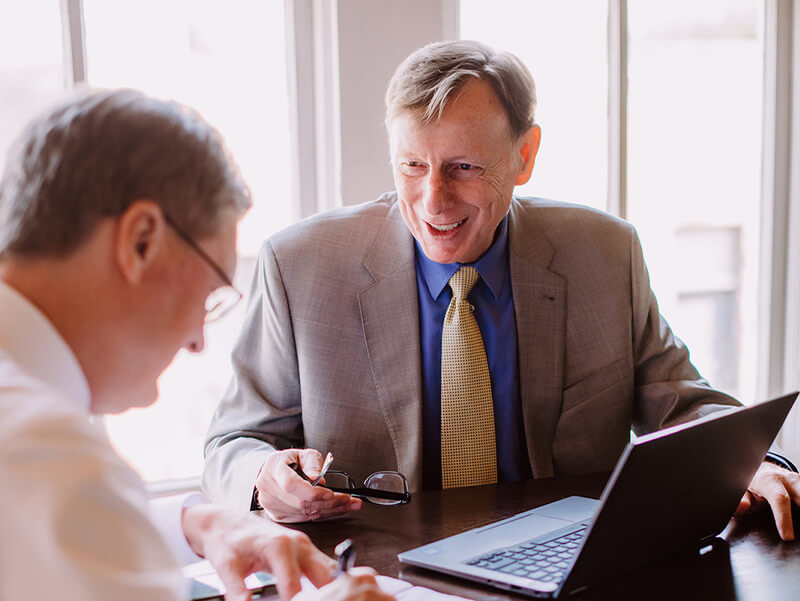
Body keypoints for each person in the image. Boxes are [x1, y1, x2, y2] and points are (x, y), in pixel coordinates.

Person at [203, 41, 800, 539]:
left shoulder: (604, 252)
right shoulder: (299, 265)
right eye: (412, 166)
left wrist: (754, 462)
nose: (433, 201)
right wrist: (263, 477)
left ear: (524, 155)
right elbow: (232, 443)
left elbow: (682, 403)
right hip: (382, 573)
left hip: (567, 559)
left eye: (463, 167)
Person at [0, 89, 394, 601]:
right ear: (141, 241)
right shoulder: (46, 454)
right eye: (210, 294)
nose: (197, 341)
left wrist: (194, 522)